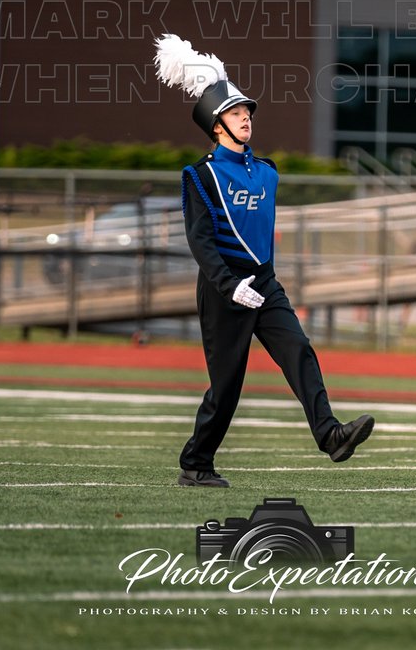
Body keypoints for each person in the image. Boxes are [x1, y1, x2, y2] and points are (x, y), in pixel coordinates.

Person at [154, 34, 375, 488]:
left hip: (265, 282)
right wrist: (227, 284)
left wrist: (258, 279)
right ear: (217, 126)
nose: (246, 118)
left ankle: (330, 435)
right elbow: (200, 240)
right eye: (236, 113)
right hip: (225, 290)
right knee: (228, 387)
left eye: (247, 112)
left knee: (299, 350)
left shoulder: (267, 170)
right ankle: (196, 463)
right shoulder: (200, 175)